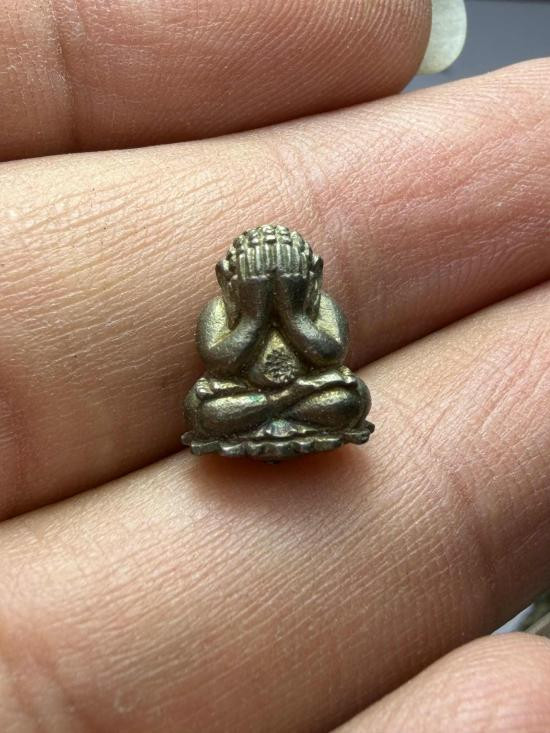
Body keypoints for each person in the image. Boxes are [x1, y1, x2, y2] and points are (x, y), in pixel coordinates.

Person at [0, 1, 549, 731]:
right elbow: (221, 359)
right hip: (252, 398)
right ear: (232, 275)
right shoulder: (227, 305)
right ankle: (268, 419)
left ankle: (272, 419)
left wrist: (291, 309)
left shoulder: (313, 302)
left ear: (308, 271)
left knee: (344, 393)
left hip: (300, 393)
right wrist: (255, 311)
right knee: (208, 403)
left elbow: (327, 355)